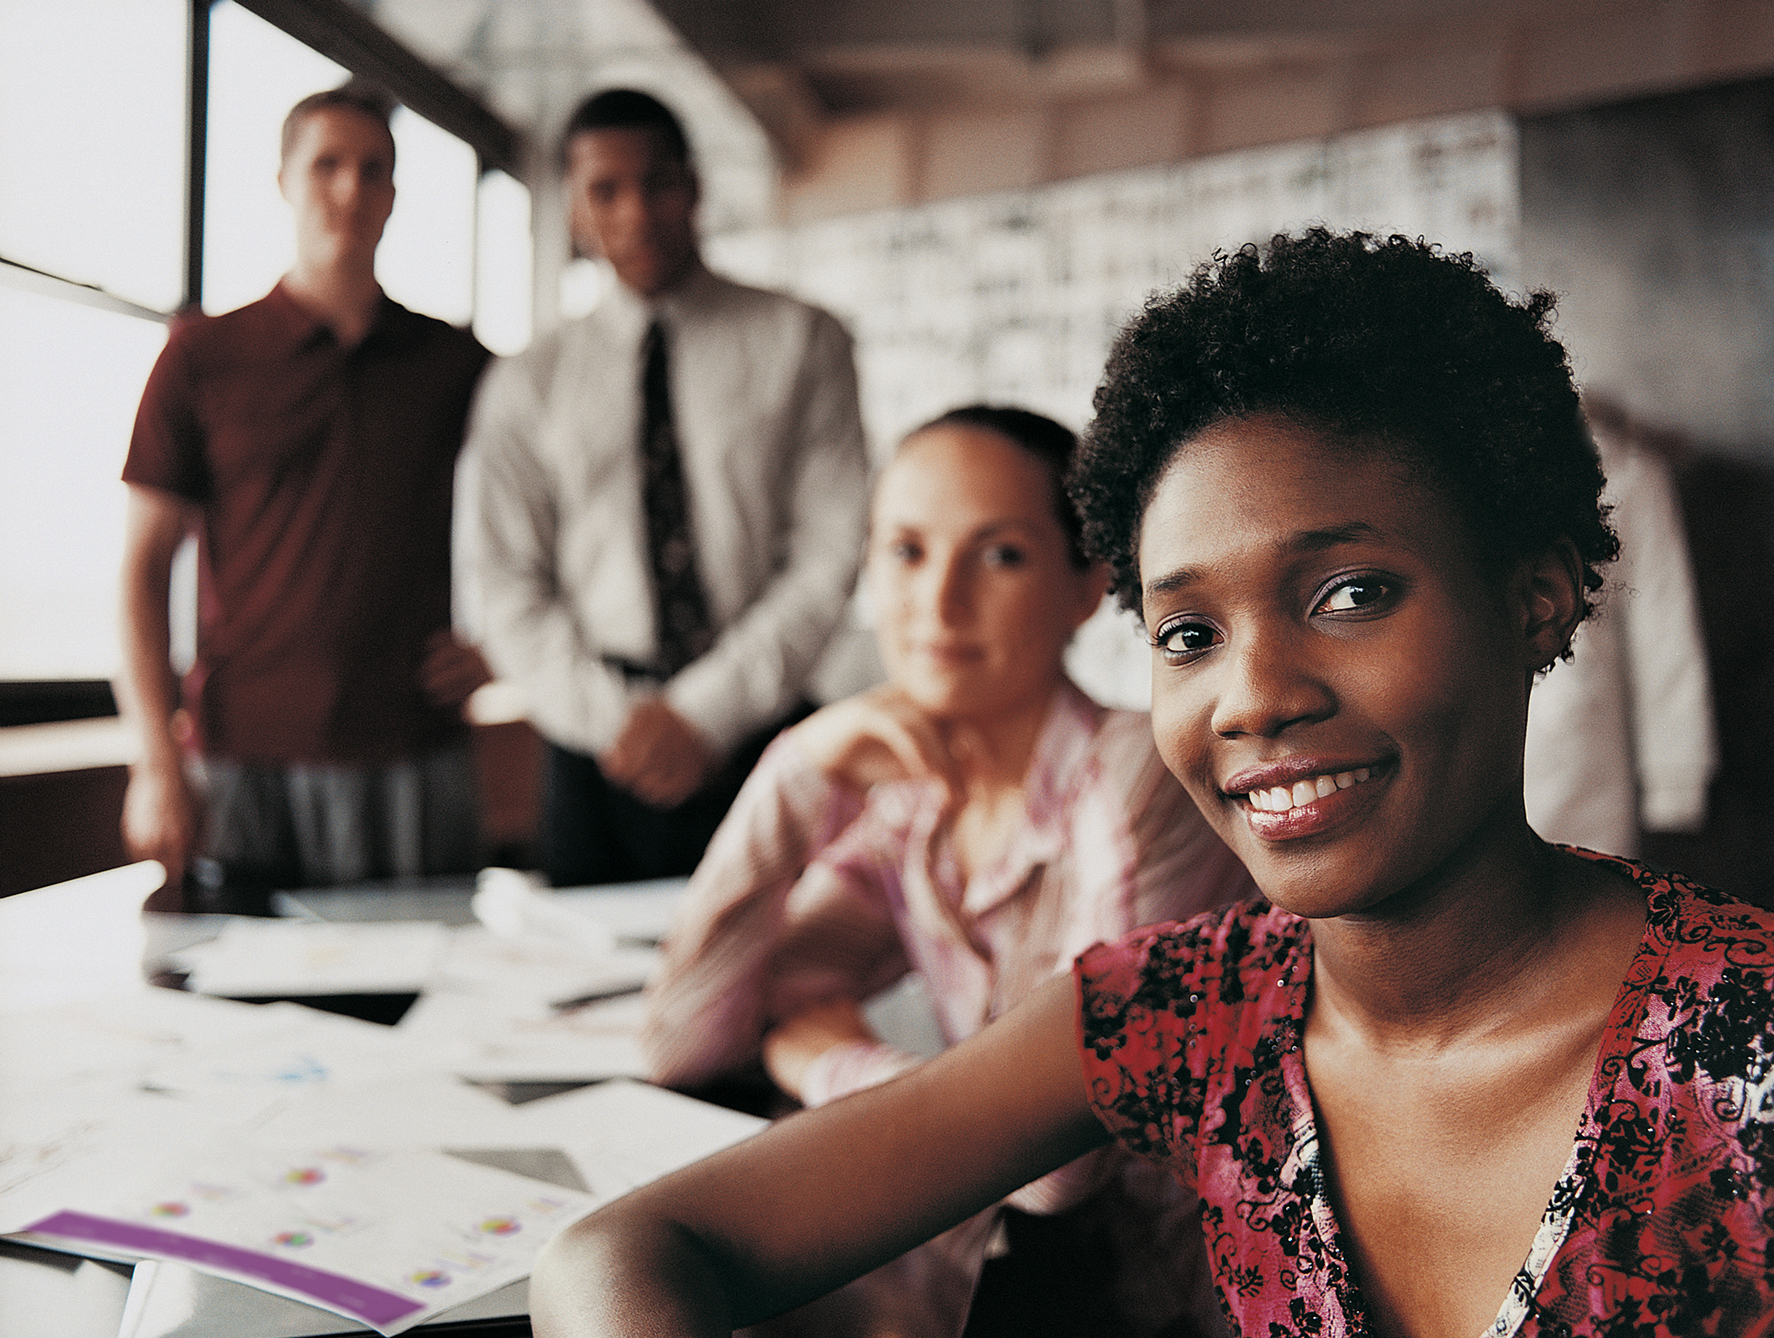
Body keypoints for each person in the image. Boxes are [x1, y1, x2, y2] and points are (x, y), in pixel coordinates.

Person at [528, 230, 1774, 1338]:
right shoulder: (1183, 1011)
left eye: (1348, 593)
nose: (1252, 697)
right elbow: (621, 1252)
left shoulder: (1742, 1046)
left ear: (1534, 599)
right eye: (1188, 636)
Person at [643, 404, 1255, 1337]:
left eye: (999, 555)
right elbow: (683, 1039)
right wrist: (793, 776)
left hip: (1187, 1301)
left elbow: (1056, 1166)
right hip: (1011, 1286)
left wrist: (824, 1059)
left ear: (1086, 584)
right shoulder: (912, 804)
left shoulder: (1138, 777)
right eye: (906, 551)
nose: (937, 604)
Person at [464, 89, 868, 887]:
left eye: (658, 184)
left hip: (762, 723)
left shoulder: (801, 340)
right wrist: (622, 722)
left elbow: (830, 550)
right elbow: (503, 580)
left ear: (694, 187)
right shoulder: (528, 382)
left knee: (786, 984)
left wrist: (704, 713)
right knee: (595, 998)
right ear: (575, 209)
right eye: (605, 190)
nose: (637, 213)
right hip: (594, 749)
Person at [116, 82, 492, 913]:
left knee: (424, 1018)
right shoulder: (201, 359)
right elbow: (142, 573)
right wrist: (154, 761)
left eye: (374, 170)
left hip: (412, 753)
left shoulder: (458, 365)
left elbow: (547, 526)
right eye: (327, 166)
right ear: (284, 180)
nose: (350, 190)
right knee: (242, 1030)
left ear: (394, 193)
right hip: (243, 761)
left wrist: (498, 643)